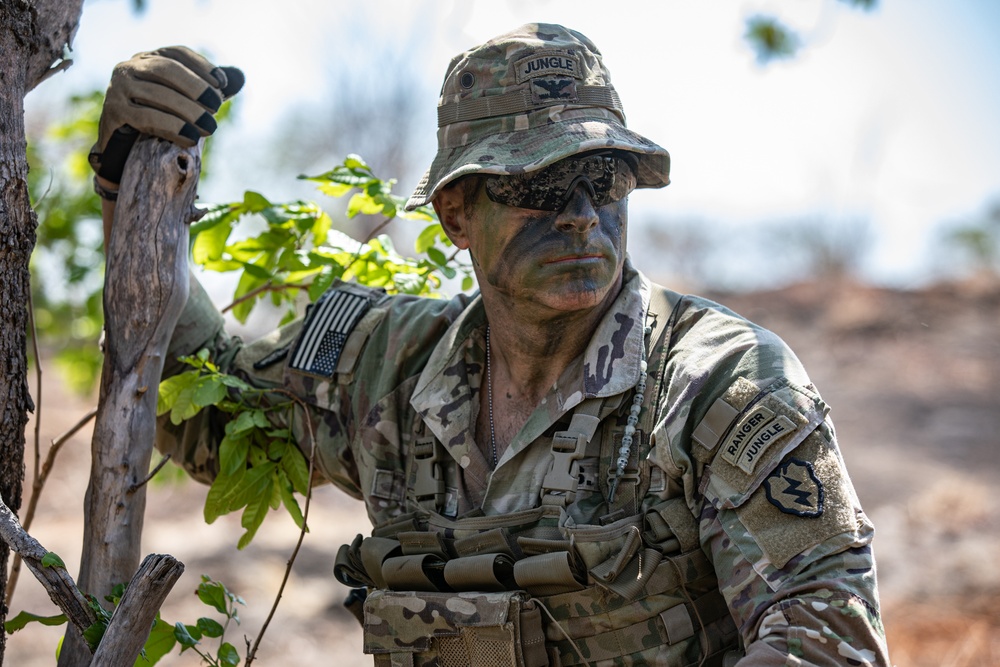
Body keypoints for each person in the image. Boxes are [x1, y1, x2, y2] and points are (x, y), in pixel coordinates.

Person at [92, 23, 890, 666]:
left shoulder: (719, 381)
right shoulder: (387, 365)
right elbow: (208, 407)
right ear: (456, 213)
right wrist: (132, 184)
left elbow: (830, 636)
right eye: (539, 184)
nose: (581, 213)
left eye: (605, 178)